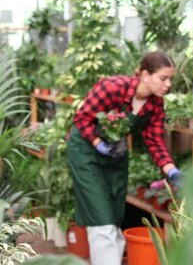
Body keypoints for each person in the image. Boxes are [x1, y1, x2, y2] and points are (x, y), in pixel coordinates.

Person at [66, 51, 182, 265]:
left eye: (171, 79)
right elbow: (81, 118)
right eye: (163, 78)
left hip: (115, 158)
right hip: (85, 153)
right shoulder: (113, 87)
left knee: (113, 218)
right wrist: (98, 143)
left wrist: (171, 170)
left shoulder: (155, 105)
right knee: (101, 221)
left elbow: (155, 142)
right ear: (145, 75)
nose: (168, 85)